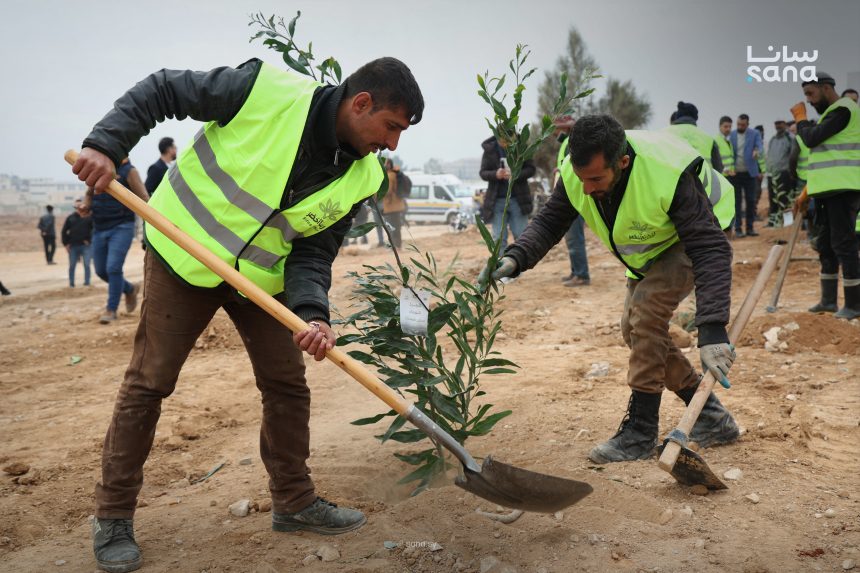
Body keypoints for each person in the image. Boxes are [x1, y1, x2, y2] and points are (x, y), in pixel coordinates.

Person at [71, 56, 423, 573]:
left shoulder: (364, 177)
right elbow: (164, 89)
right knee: (149, 382)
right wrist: (106, 144)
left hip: (261, 281)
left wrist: (312, 313)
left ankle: (294, 501)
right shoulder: (265, 90)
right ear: (361, 103)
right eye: (391, 127)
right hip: (181, 252)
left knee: (287, 384)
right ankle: (113, 516)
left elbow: (313, 252)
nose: (393, 145)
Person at [482, 115, 738, 464]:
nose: (586, 188)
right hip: (651, 246)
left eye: (596, 179)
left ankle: (640, 433)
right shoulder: (579, 172)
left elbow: (709, 247)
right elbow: (551, 219)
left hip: (691, 237)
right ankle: (710, 415)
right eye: (582, 178)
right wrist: (515, 258)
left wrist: (712, 332)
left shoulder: (666, 171)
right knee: (635, 330)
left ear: (623, 162)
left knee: (647, 317)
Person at [791, 72, 860, 320]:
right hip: (828, 190)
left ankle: (854, 304)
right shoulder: (832, 115)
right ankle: (828, 301)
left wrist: (801, 120)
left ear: (827, 88)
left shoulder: (844, 109)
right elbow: (824, 158)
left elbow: (811, 139)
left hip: (843, 189)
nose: (808, 100)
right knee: (826, 245)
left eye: (811, 93)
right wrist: (805, 193)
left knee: (844, 244)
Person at [85, 158, 148, 324]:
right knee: (101, 271)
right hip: (99, 227)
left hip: (122, 226)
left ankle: (111, 309)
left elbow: (144, 198)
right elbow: (89, 194)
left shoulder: (130, 171)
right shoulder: (99, 166)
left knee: (113, 268)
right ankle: (129, 288)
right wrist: (85, 206)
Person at [479, 135, 535, 251]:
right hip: (497, 201)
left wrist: (516, 174)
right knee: (498, 240)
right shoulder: (490, 150)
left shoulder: (522, 147)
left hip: (518, 200)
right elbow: (483, 173)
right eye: (502, 139)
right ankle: (501, 268)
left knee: (521, 237)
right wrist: (495, 174)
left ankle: (518, 267)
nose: (505, 143)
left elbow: (531, 169)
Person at [554, 116, 590, 286]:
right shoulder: (566, 143)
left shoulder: (570, 143)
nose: (554, 133)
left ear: (565, 129)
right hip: (570, 196)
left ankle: (581, 275)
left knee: (575, 238)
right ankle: (576, 271)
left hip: (573, 197)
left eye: (556, 129)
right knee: (572, 239)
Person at [729, 113, 764, 237]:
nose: (740, 126)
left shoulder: (755, 134)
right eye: (738, 124)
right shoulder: (731, 135)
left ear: (747, 124)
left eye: (743, 125)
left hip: (750, 174)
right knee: (736, 202)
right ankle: (738, 229)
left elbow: (760, 147)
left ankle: (750, 228)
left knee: (751, 200)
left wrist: (757, 152)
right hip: (735, 174)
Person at [664, 101, 723, 172]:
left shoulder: (663, 133)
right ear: (695, 117)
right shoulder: (708, 139)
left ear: (678, 116)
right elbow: (718, 169)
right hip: (701, 182)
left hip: (670, 180)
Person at [765, 120, 796, 226]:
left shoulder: (790, 138)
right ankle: (773, 222)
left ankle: (787, 222)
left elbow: (793, 156)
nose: (778, 125)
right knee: (772, 198)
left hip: (784, 173)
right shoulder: (773, 139)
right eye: (776, 123)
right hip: (771, 174)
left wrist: (792, 173)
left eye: (780, 123)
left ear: (784, 125)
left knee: (785, 198)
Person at [61, 198, 94, 287]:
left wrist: (89, 241)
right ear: (75, 207)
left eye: (80, 205)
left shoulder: (89, 217)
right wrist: (66, 244)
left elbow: (94, 230)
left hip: (85, 246)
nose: (79, 207)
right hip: (73, 246)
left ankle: (87, 283)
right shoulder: (70, 218)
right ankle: (71, 284)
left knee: (87, 265)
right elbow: (64, 231)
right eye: (77, 206)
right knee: (72, 266)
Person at [381, 158, 408, 248]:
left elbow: (387, 191)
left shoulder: (390, 176)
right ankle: (397, 245)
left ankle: (395, 246)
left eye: (385, 164)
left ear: (388, 165)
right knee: (396, 226)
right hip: (398, 206)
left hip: (391, 206)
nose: (384, 165)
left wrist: (379, 193)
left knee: (392, 227)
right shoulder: (395, 174)